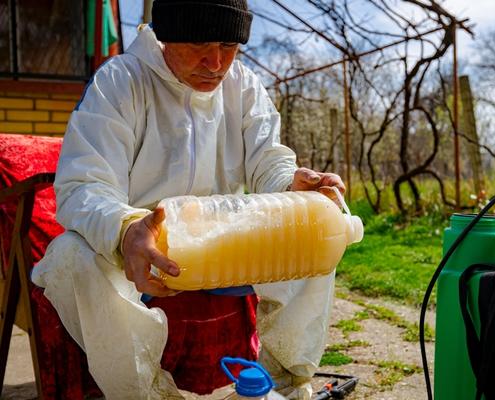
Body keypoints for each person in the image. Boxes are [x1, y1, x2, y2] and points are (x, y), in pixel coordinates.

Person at [31, 0, 344, 399]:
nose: (216, 63)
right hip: (142, 246)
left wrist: (290, 185)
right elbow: (84, 186)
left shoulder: (243, 86)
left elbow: (270, 162)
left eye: (229, 45)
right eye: (198, 42)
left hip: (225, 243)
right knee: (70, 255)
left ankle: (280, 383)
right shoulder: (120, 81)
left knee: (318, 227)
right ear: (167, 33)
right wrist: (125, 229)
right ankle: (146, 394)